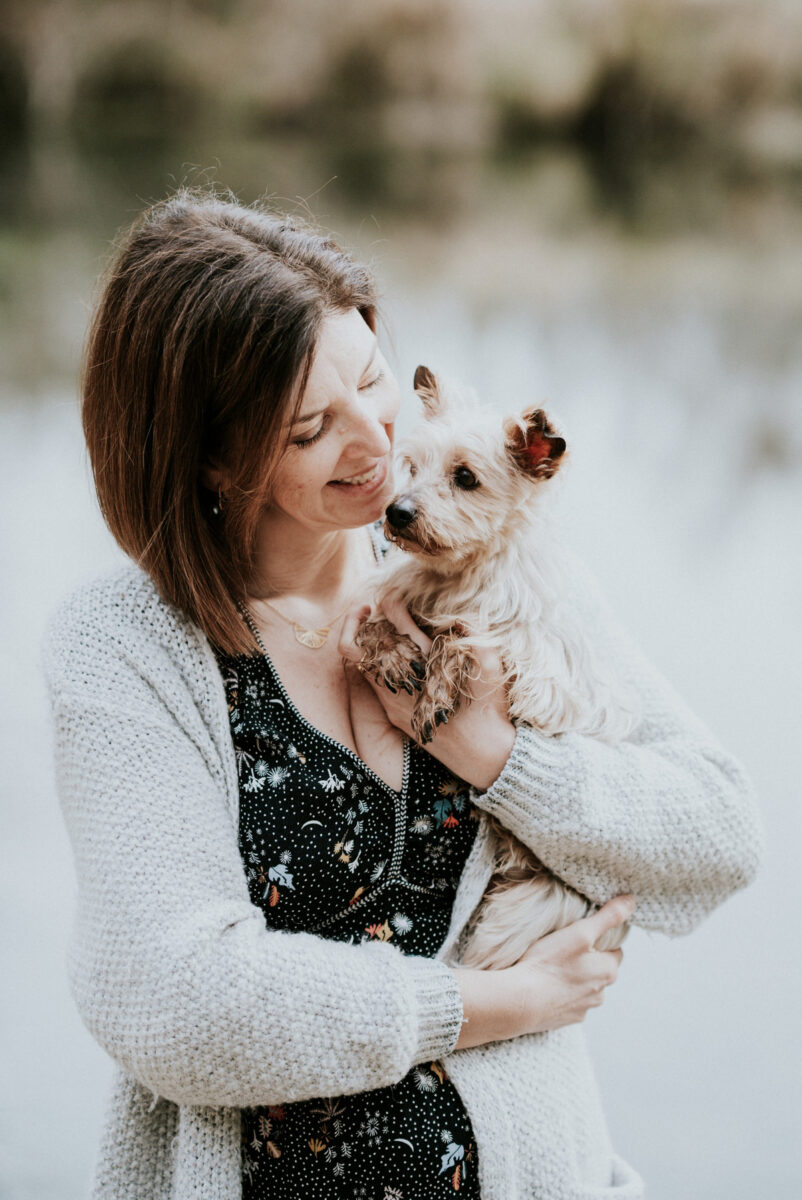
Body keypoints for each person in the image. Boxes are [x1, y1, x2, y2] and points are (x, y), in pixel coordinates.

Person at [42, 191, 763, 1200]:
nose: (377, 447)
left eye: (373, 378)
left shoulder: (496, 563)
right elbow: (175, 1004)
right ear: (208, 457)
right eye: (309, 429)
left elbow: (719, 833)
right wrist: (488, 1003)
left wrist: (502, 760)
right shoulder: (123, 647)